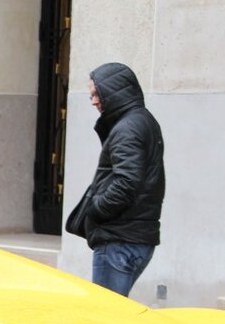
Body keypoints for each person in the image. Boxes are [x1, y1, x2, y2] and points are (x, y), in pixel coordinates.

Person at [65, 62, 165, 298]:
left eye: (97, 94)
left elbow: (126, 183)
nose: (94, 101)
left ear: (114, 90)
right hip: (131, 237)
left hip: (120, 240)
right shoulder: (140, 122)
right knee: (114, 316)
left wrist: (96, 209)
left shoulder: (128, 128)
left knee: (105, 320)